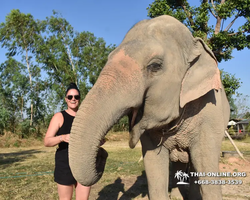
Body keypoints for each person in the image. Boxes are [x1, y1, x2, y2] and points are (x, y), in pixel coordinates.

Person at [44, 83, 91, 200]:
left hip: (84, 165)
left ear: (80, 99)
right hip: (65, 166)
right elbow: (47, 141)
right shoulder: (59, 117)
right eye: (70, 97)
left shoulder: (86, 117)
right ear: (66, 99)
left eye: (76, 97)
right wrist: (62, 137)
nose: (73, 99)